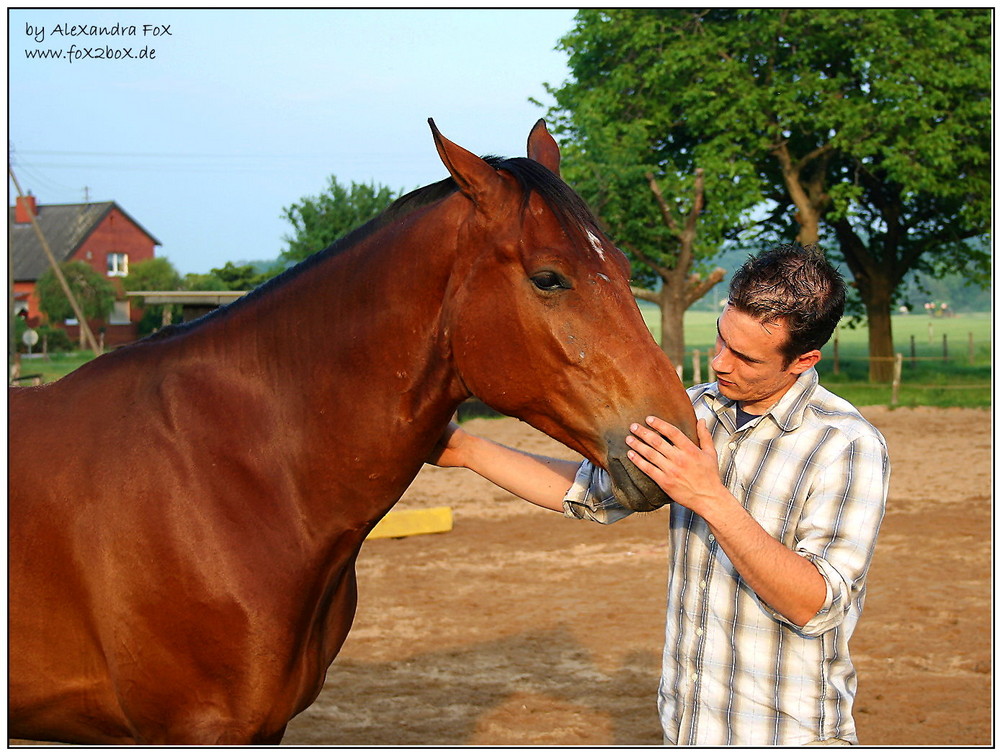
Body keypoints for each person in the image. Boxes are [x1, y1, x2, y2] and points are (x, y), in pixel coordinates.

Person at [430, 243, 890, 746]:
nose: (719, 363)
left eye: (744, 357)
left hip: (786, 736)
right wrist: (462, 449)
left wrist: (708, 497)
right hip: (687, 730)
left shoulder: (847, 444)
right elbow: (590, 491)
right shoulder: (694, 410)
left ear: (803, 360)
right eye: (721, 339)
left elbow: (816, 604)